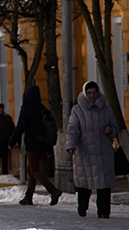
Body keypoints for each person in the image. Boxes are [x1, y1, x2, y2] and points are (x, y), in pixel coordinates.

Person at [66, 81, 119, 218]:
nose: (92, 96)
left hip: (103, 152)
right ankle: (82, 208)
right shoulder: (77, 110)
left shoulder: (106, 110)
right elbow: (72, 129)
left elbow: (115, 128)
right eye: (89, 93)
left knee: (103, 183)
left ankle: (104, 212)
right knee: (85, 183)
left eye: (94, 93)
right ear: (85, 94)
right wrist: (71, 145)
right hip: (85, 152)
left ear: (98, 93)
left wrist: (110, 130)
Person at [9, 84, 62, 206]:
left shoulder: (26, 109)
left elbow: (20, 128)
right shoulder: (43, 108)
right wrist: (48, 148)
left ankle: (52, 190)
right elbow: (48, 129)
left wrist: (12, 142)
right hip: (42, 145)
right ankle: (28, 196)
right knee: (30, 169)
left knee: (34, 169)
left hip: (32, 145)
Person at [0, 103, 16, 175]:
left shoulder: (7, 118)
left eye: (1, 108)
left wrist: (9, 135)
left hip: (5, 141)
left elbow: (13, 128)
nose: (0, 110)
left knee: (5, 158)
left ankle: (5, 173)